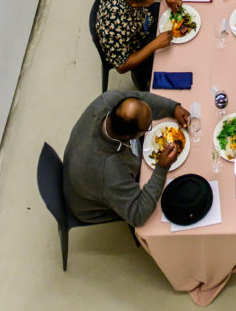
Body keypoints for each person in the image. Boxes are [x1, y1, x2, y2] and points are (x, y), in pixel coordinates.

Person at [63, 89, 190, 227]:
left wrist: (173, 108)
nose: (151, 125)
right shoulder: (109, 170)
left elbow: (141, 98)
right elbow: (138, 214)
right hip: (93, 204)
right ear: (128, 137)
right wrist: (162, 168)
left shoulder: (110, 100)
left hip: (87, 173)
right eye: (147, 127)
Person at [95, 0, 183, 87]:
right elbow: (122, 66)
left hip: (144, 18)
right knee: (175, 59)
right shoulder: (115, 29)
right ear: (136, 5)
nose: (154, 0)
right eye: (150, 2)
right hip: (137, 45)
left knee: (177, 17)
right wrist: (155, 44)